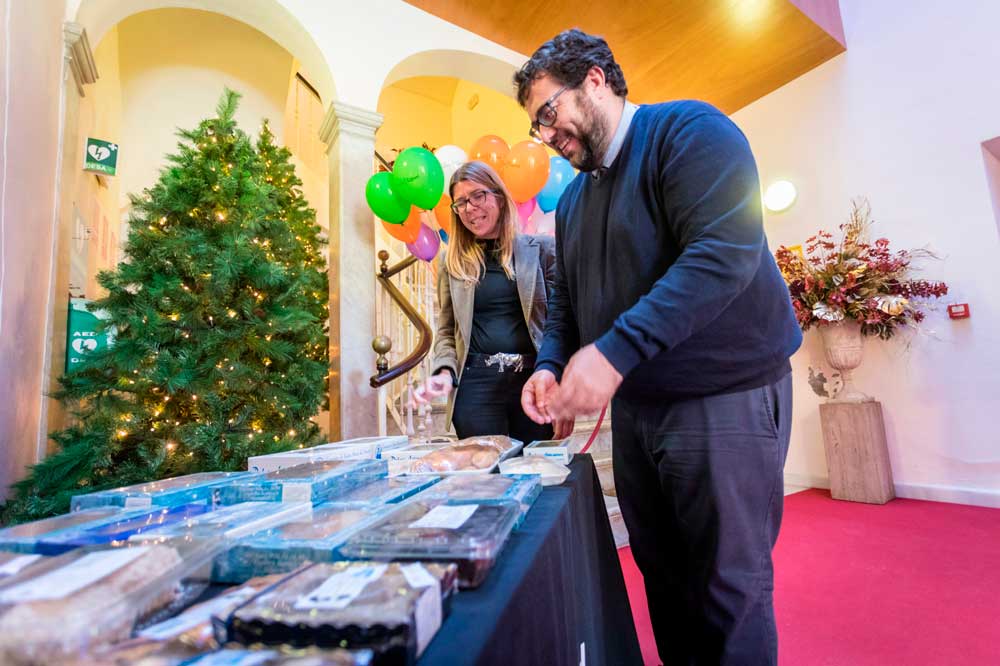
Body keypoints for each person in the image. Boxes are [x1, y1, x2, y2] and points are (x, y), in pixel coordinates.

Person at [514, 29, 803, 665]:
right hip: (640, 411)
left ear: (594, 78)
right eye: (537, 127)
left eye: (547, 114)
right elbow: (566, 301)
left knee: (729, 591)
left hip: (723, 397)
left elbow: (721, 255)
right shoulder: (575, 203)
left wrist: (614, 352)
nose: (545, 135)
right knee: (665, 582)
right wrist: (551, 365)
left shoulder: (692, 131)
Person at [412, 161, 573, 444]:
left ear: (498, 196)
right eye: (460, 203)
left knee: (535, 479)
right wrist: (445, 372)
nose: (470, 208)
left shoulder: (542, 251)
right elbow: (447, 331)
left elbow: (561, 324)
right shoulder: (452, 263)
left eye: (478, 195)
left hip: (534, 384)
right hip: (475, 389)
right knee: (484, 484)